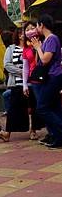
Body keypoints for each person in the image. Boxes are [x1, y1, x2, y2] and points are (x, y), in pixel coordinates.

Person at [0, 27, 38, 142]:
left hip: (31, 83)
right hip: (16, 83)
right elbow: (7, 65)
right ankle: (7, 133)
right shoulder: (11, 48)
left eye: (24, 33)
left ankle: (33, 130)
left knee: (33, 107)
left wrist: (28, 72)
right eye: (20, 33)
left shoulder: (32, 48)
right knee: (13, 108)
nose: (22, 35)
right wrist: (23, 71)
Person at [31, 14, 62, 149]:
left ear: (42, 25)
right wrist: (38, 46)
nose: (36, 28)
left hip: (54, 76)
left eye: (37, 25)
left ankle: (60, 131)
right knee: (54, 106)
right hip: (49, 77)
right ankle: (58, 137)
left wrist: (38, 47)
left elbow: (45, 60)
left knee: (42, 107)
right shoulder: (46, 40)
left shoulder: (52, 39)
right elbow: (39, 61)